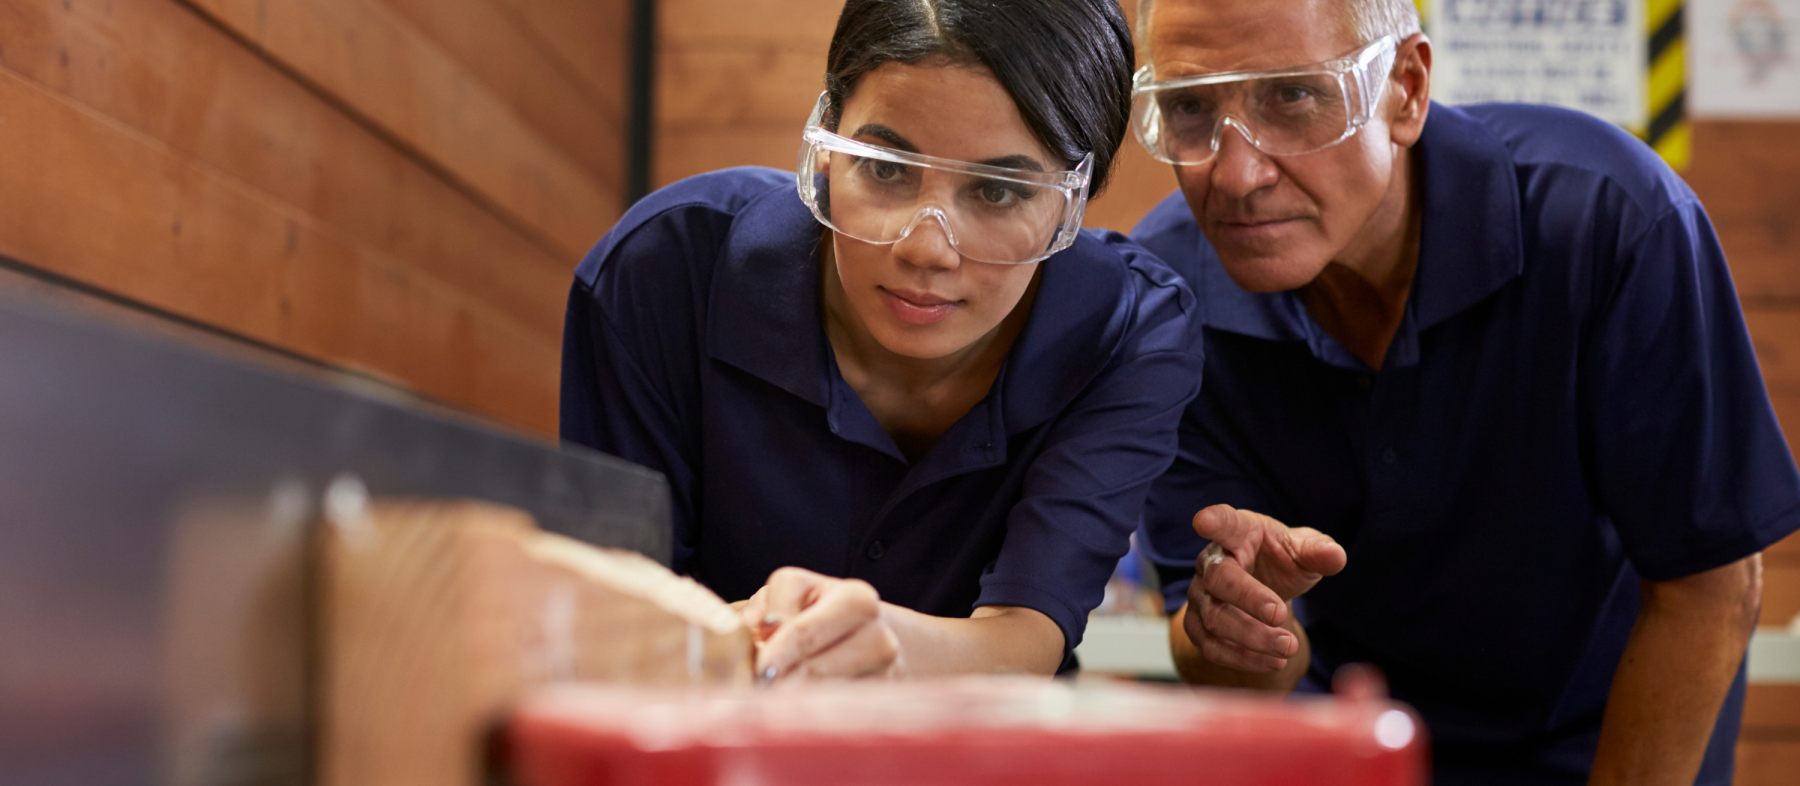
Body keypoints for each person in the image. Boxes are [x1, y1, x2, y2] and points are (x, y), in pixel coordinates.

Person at [1127, 0, 1800, 784]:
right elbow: (1231, 665)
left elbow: (1709, 586)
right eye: (1189, 107)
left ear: (1406, 89)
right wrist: (1243, 630)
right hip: (1354, 742)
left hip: (1614, 730)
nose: (1235, 173)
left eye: (1293, 97)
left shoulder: (1606, 220)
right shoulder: (1166, 299)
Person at [561, 0, 1201, 682]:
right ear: (829, 137)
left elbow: (1032, 634)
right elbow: (610, 614)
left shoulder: (1130, 331)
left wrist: (878, 642)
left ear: (1076, 196)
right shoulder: (665, 270)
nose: (926, 249)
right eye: (887, 169)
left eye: (996, 191)